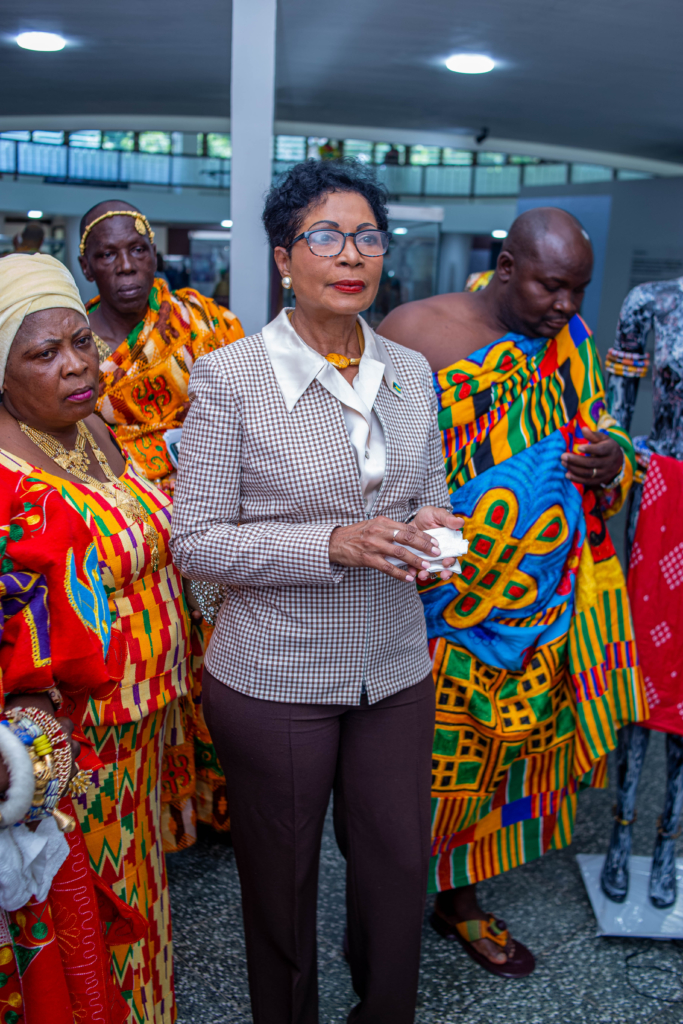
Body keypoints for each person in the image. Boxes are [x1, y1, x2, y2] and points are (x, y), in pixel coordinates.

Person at [170, 159, 464, 1024]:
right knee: (282, 879)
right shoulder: (229, 378)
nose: (351, 255)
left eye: (368, 236)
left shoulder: (410, 370)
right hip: (275, 677)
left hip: (395, 666)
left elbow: (429, 489)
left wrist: (436, 536)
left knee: (396, 863)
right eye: (326, 236)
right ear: (283, 257)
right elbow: (196, 543)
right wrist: (330, 543)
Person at [379, 207, 648, 977]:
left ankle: (460, 900)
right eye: (551, 287)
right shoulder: (417, 330)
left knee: (502, 760)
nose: (566, 306)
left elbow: (599, 426)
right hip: (441, 606)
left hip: (541, 604)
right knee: (421, 765)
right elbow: (367, 455)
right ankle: (386, 906)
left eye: (578, 291)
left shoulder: (570, 345)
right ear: (505, 267)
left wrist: (612, 458)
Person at [0, 252, 195, 1023]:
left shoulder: (94, 426)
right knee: (93, 905)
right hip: (71, 752)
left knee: (140, 885)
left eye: (81, 341)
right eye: (44, 354)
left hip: (142, 730)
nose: (77, 364)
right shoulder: (10, 480)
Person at [78, 199, 245, 853]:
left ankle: (224, 806)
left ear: (155, 255)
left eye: (137, 250)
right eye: (108, 254)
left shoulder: (199, 321)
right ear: (86, 264)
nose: (125, 265)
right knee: (155, 671)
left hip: (209, 521)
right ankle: (166, 809)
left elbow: (248, 405)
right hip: (130, 539)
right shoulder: (73, 342)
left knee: (220, 667)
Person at [602, 278, 683, 907]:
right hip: (663, 499)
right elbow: (615, 423)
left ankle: (667, 847)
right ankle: (621, 835)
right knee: (644, 669)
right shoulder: (650, 303)